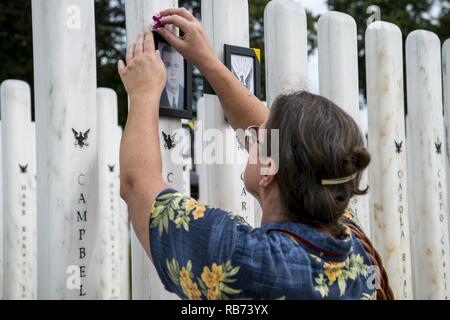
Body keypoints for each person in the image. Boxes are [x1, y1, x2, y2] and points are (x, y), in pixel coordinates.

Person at [118, 8, 380, 300]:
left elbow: (136, 183)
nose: (250, 136)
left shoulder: (243, 259)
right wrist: (208, 62)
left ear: (269, 171)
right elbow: (288, 144)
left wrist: (143, 93)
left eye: (257, 138)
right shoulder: (354, 250)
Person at [160, 44, 184, 109]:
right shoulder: (157, 95)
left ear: (181, 68)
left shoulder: (185, 95)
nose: (172, 72)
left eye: (176, 66)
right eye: (167, 65)